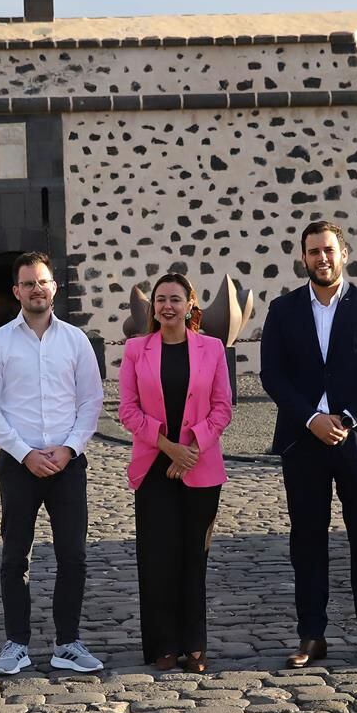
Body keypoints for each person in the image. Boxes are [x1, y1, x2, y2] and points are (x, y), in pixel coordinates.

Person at [259, 219, 357, 667]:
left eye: (328, 250)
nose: (321, 258)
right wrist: (310, 419)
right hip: (303, 442)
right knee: (307, 540)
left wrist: (346, 417)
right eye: (312, 251)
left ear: (344, 253)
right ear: (302, 257)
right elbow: (273, 375)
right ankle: (311, 636)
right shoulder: (283, 310)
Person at [0, 251, 106, 676]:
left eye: (42, 282)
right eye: (28, 283)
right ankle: (16, 644)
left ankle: (68, 643)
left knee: (74, 556)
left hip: (68, 464)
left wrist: (69, 449)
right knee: (16, 557)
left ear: (54, 288)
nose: (36, 289)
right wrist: (25, 453)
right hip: (18, 464)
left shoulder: (76, 341)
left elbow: (91, 400)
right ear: (16, 292)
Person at [117, 272, 233, 673]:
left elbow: (223, 408)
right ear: (153, 308)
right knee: (158, 557)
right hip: (153, 466)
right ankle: (164, 643)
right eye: (161, 300)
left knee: (193, 557)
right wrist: (169, 449)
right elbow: (127, 410)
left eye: (175, 299)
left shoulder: (213, 349)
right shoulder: (135, 350)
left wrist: (194, 449)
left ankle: (195, 644)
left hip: (202, 468)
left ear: (190, 305)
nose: (168, 306)